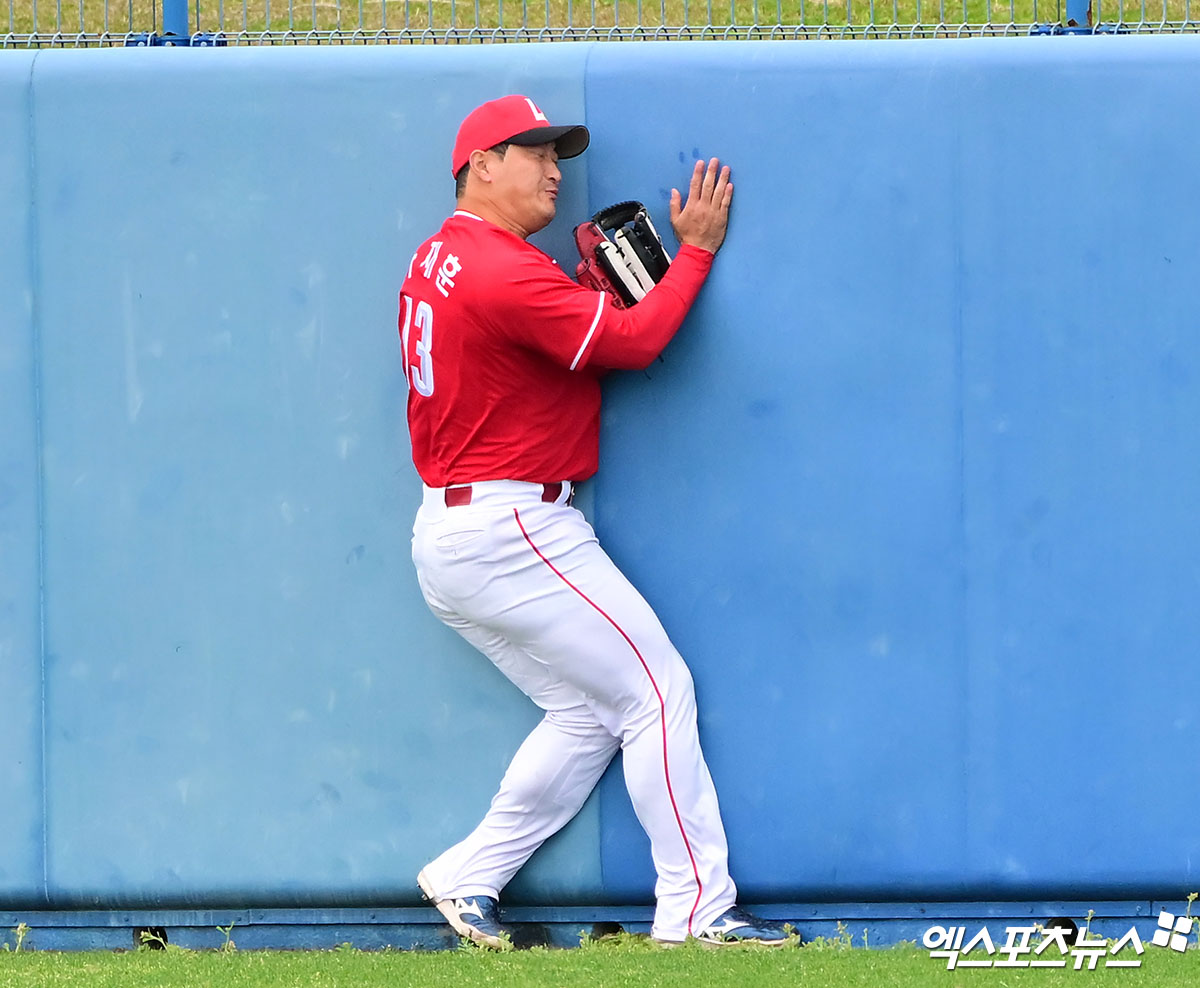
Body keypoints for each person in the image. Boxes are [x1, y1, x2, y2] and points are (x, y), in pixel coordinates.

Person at [398, 94, 789, 949]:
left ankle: (469, 876)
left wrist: (577, 292)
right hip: (515, 530)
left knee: (588, 712)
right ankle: (698, 911)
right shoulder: (507, 271)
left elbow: (517, 354)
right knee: (657, 690)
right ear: (480, 167)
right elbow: (635, 343)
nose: (553, 171)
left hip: (451, 537)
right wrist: (695, 253)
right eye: (531, 152)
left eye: (557, 154)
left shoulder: (441, 258)